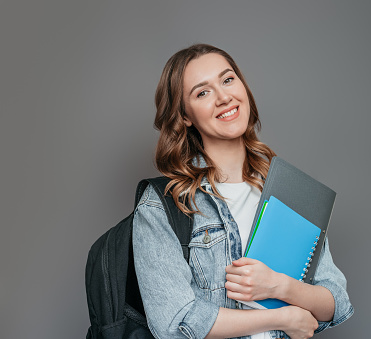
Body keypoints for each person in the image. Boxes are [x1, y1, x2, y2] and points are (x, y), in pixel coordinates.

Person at [132, 44, 353, 339]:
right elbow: (174, 322)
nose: (224, 97)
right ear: (185, 116)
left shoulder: (290, 192)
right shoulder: (163, 205)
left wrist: (279, 287)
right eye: (202, 92)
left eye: (227, 80)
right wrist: (282, 317)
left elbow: (336, 302)